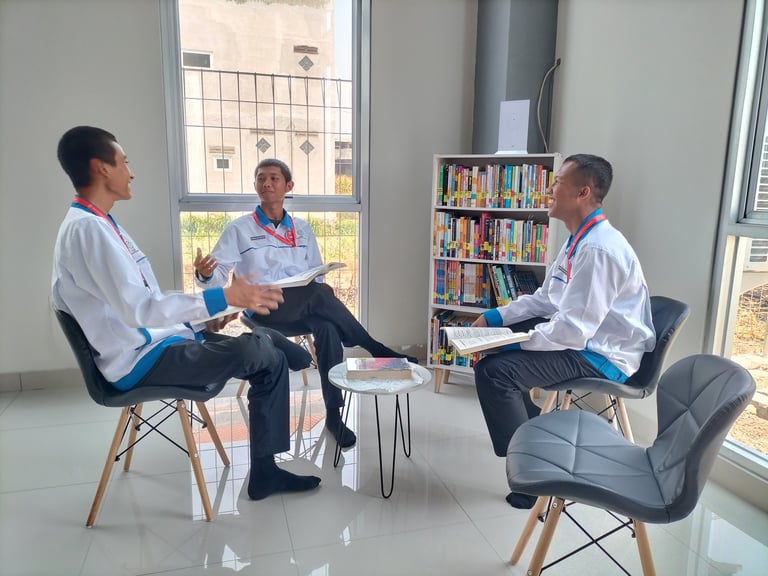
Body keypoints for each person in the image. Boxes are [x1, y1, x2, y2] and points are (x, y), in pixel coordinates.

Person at [52, 126, 321, 501]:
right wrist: (221, 298)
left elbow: (147, 300)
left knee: (262, 349)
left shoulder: (102, 224)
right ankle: (266, 469)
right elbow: (142, 310)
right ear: (102, 168)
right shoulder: (89, 231)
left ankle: (267, 461)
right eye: (124, 162)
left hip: (155, 343)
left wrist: (203, 315)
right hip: (140, 361)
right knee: (265, 355)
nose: (131, 172)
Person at [472, 153, 655, 509]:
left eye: (557, 182)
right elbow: (546, 299)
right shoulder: (578, 240)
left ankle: (531, 476)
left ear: (583, 192)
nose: (549, 190)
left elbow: (573, 330)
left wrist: (511, 345)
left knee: (495, 373)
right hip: (585, 339)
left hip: (601, 355)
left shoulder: (599, 249)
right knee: (499, 350)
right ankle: (535, 439)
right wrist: (495, 319)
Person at [193, 158, 417, 448]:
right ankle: (373, 347)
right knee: (322, 296)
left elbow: (316, 274)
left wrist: (312, 282)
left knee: (328, 327)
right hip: (263, 308)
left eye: (274, 178)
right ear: (255, 185)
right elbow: (216, 276)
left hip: (301, 305)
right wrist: (205, 273)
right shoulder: (240, 229)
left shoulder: (302, 229)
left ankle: (334, 416)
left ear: (288, 186)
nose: (266, 183)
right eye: (261, 178)